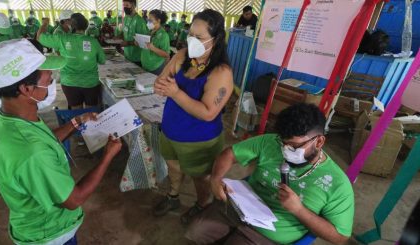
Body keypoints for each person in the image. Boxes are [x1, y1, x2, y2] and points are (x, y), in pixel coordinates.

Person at [0, 38, 122, 244]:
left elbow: (44, 141)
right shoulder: (31, 151)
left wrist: (75, 122)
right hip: (50, 233)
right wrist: (107, 156)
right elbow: (74, 199)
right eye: (49, 80)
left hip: (31, 222)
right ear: (26, 89)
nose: (52, 82)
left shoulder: (7, 121)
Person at [186, 103, 355, 244]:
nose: (286, 150)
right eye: (283, 143)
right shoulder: (270, 142)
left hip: (269, 234)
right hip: (239, 208)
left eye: (294, 146)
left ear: (319, 141)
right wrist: (216, 179)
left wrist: (298, 210)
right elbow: (230, 153)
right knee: (196, 231)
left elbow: (340, 237)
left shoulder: (337, 184)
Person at [152, 9, 233, 223]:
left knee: (201, 177)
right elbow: (161, 80)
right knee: (173, 166)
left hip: (199, 139)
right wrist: (161, 85)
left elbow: (208, 113)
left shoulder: (220, 72)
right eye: (190, 35)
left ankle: (202, 204)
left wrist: (175, 92)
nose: (192, 41)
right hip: (170, 130)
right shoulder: (183, 55)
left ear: (215, 40)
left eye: (199, 38)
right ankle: (173, 195)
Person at [38, 14, 105, 110]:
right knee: (91, 112)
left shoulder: (62, 38)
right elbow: (102, 60)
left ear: (71, 26)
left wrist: (44, 24)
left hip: (69, 83)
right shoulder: (93, 41)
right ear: (86, 26)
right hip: (90, 83)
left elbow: (39, 37)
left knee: (76, 111)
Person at [140, 10, 170, 75]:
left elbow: (166, 55)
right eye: (148, 20)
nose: (148, 22)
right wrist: (139, 42)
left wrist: (153, 48)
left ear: (158, 21)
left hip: (155, 68)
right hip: (145, 65)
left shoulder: (164, 35)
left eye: (151, 20)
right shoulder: (149, 32)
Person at [121, 0, 148, 66]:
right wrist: (117, 37)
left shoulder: (140, 21)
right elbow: (124, 32)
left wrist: (128, 43)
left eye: (127, 5)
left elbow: (143, 42)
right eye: (124, 5)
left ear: (133, 6)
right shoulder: (125, 18)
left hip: (137, 58)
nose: (125, 7)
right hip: (127, 54)